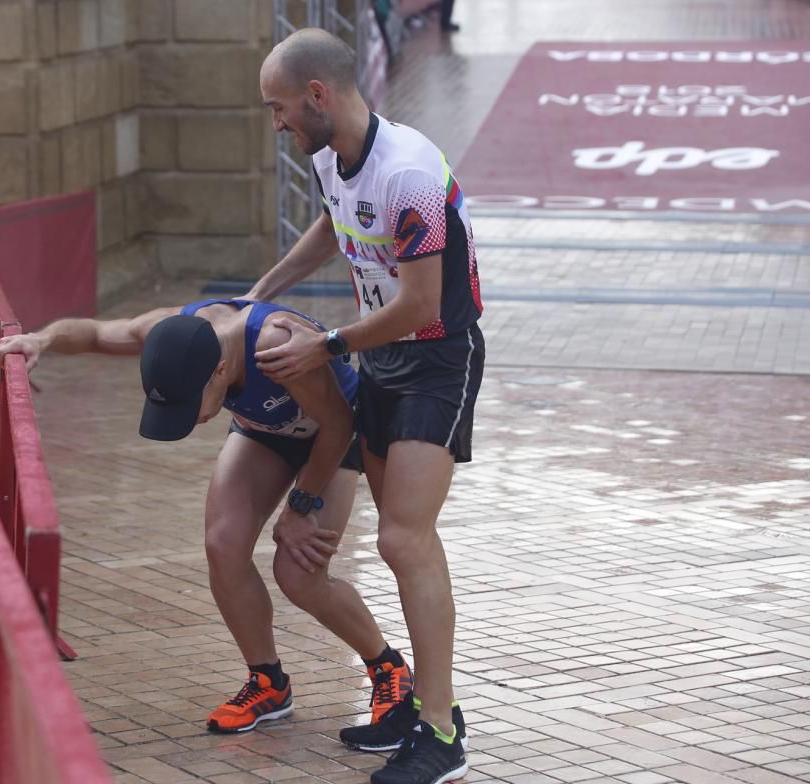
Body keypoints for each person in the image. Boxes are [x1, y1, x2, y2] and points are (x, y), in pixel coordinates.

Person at [0, 298, 458, 738]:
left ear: (219, 371)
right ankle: (268, 683)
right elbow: (95, 333)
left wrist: (300, 507)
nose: (187, 420)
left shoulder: (273, 345)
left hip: (333, 437)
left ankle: (387, 667)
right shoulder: (172, 329)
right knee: (224, 545)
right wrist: (42, 340)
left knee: (298, 573)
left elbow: (338, 423)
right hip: (268, 429)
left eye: (186, 406)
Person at [250, 28, 483, 784]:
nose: (276, 123)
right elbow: (333, 221)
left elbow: (419, 304)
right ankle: (425, 709)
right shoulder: (330, 155)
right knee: (400, 539)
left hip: (436, 357)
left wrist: (332, 347)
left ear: (318, 95)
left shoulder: (410, 170)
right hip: (380, 357)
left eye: (279, 108)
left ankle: (443, 733)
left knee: (404, 541)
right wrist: (260, 294)